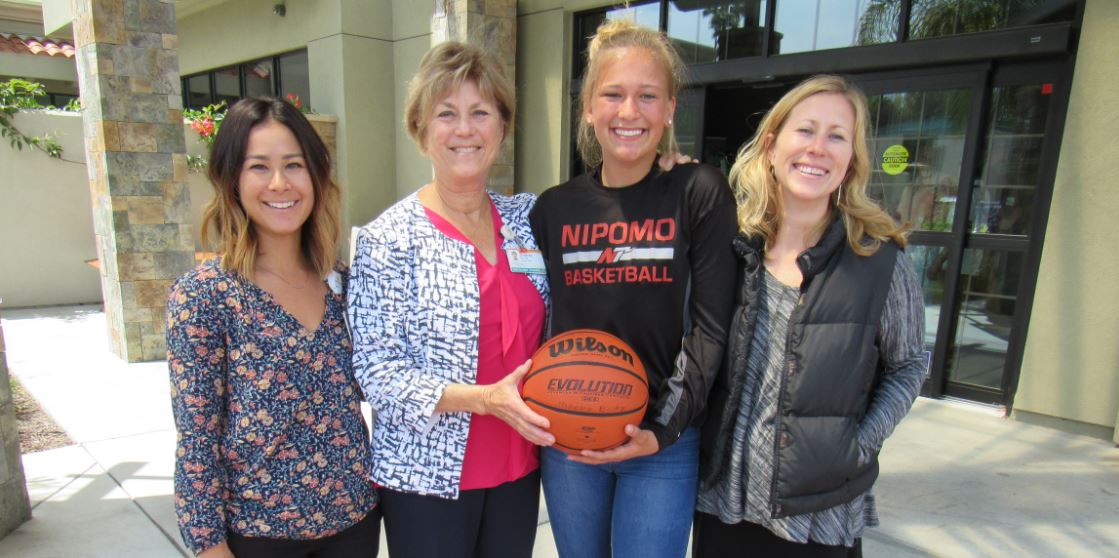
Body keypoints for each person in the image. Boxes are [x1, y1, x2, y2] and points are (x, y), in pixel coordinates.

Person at [529, 19, 738, 558]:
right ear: (588, 109)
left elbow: (713, 328)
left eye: (648, 96)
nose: (629, 112)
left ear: (670, 109)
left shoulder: (698, 192)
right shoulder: (553, 209)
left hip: (661, 438)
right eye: (613, 95)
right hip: (570, 429)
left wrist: (661, 430)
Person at [694, 75, 927, 557]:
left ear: (852, 160)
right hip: (724, 500)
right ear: (773, 146)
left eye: (837, 136)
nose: (818, 148)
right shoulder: (729, 246)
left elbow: (908, 366)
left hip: (818, 512)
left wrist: (858, 444)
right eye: (806, 131)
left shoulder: (880, 262)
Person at [347, 41, 550, 558]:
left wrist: (662, 180)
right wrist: (483, 399)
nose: (465, 129)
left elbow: (602, 237)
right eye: (447, 114)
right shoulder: (388, 238)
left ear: (501, 128)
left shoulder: (530, 220)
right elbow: (375, 369)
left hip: (519, 470)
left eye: (480, 112)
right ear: (421, 129)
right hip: (425, 478)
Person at [167, 97, 379, 558]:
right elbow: (197, 440)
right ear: (231, 180)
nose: (279, 183)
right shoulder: (205, 296)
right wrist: (209, 547)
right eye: (259, 167)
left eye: (294, 165)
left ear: (316, 176)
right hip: (259, 536)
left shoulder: (344, 282)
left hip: (356, 523)